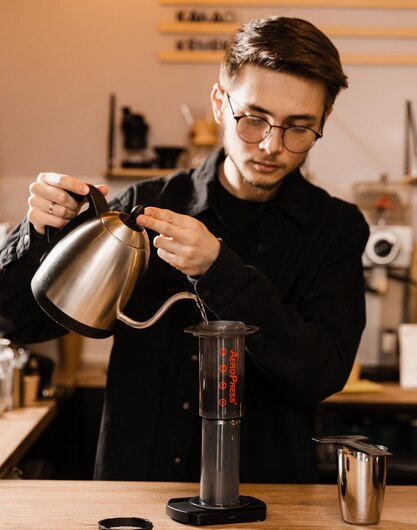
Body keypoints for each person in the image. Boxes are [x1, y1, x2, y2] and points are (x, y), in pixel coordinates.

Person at [0, 16, 369, 483]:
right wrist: (37, 234)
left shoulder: (334, 229)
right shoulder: (143, 206)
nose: (273, 146)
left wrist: (221, 271)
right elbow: (16, 320)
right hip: (137, 493)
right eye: (253, 119)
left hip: (271, 503)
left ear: (324, 121)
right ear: (220, 103)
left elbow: (321, 373)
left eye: (299, 128)